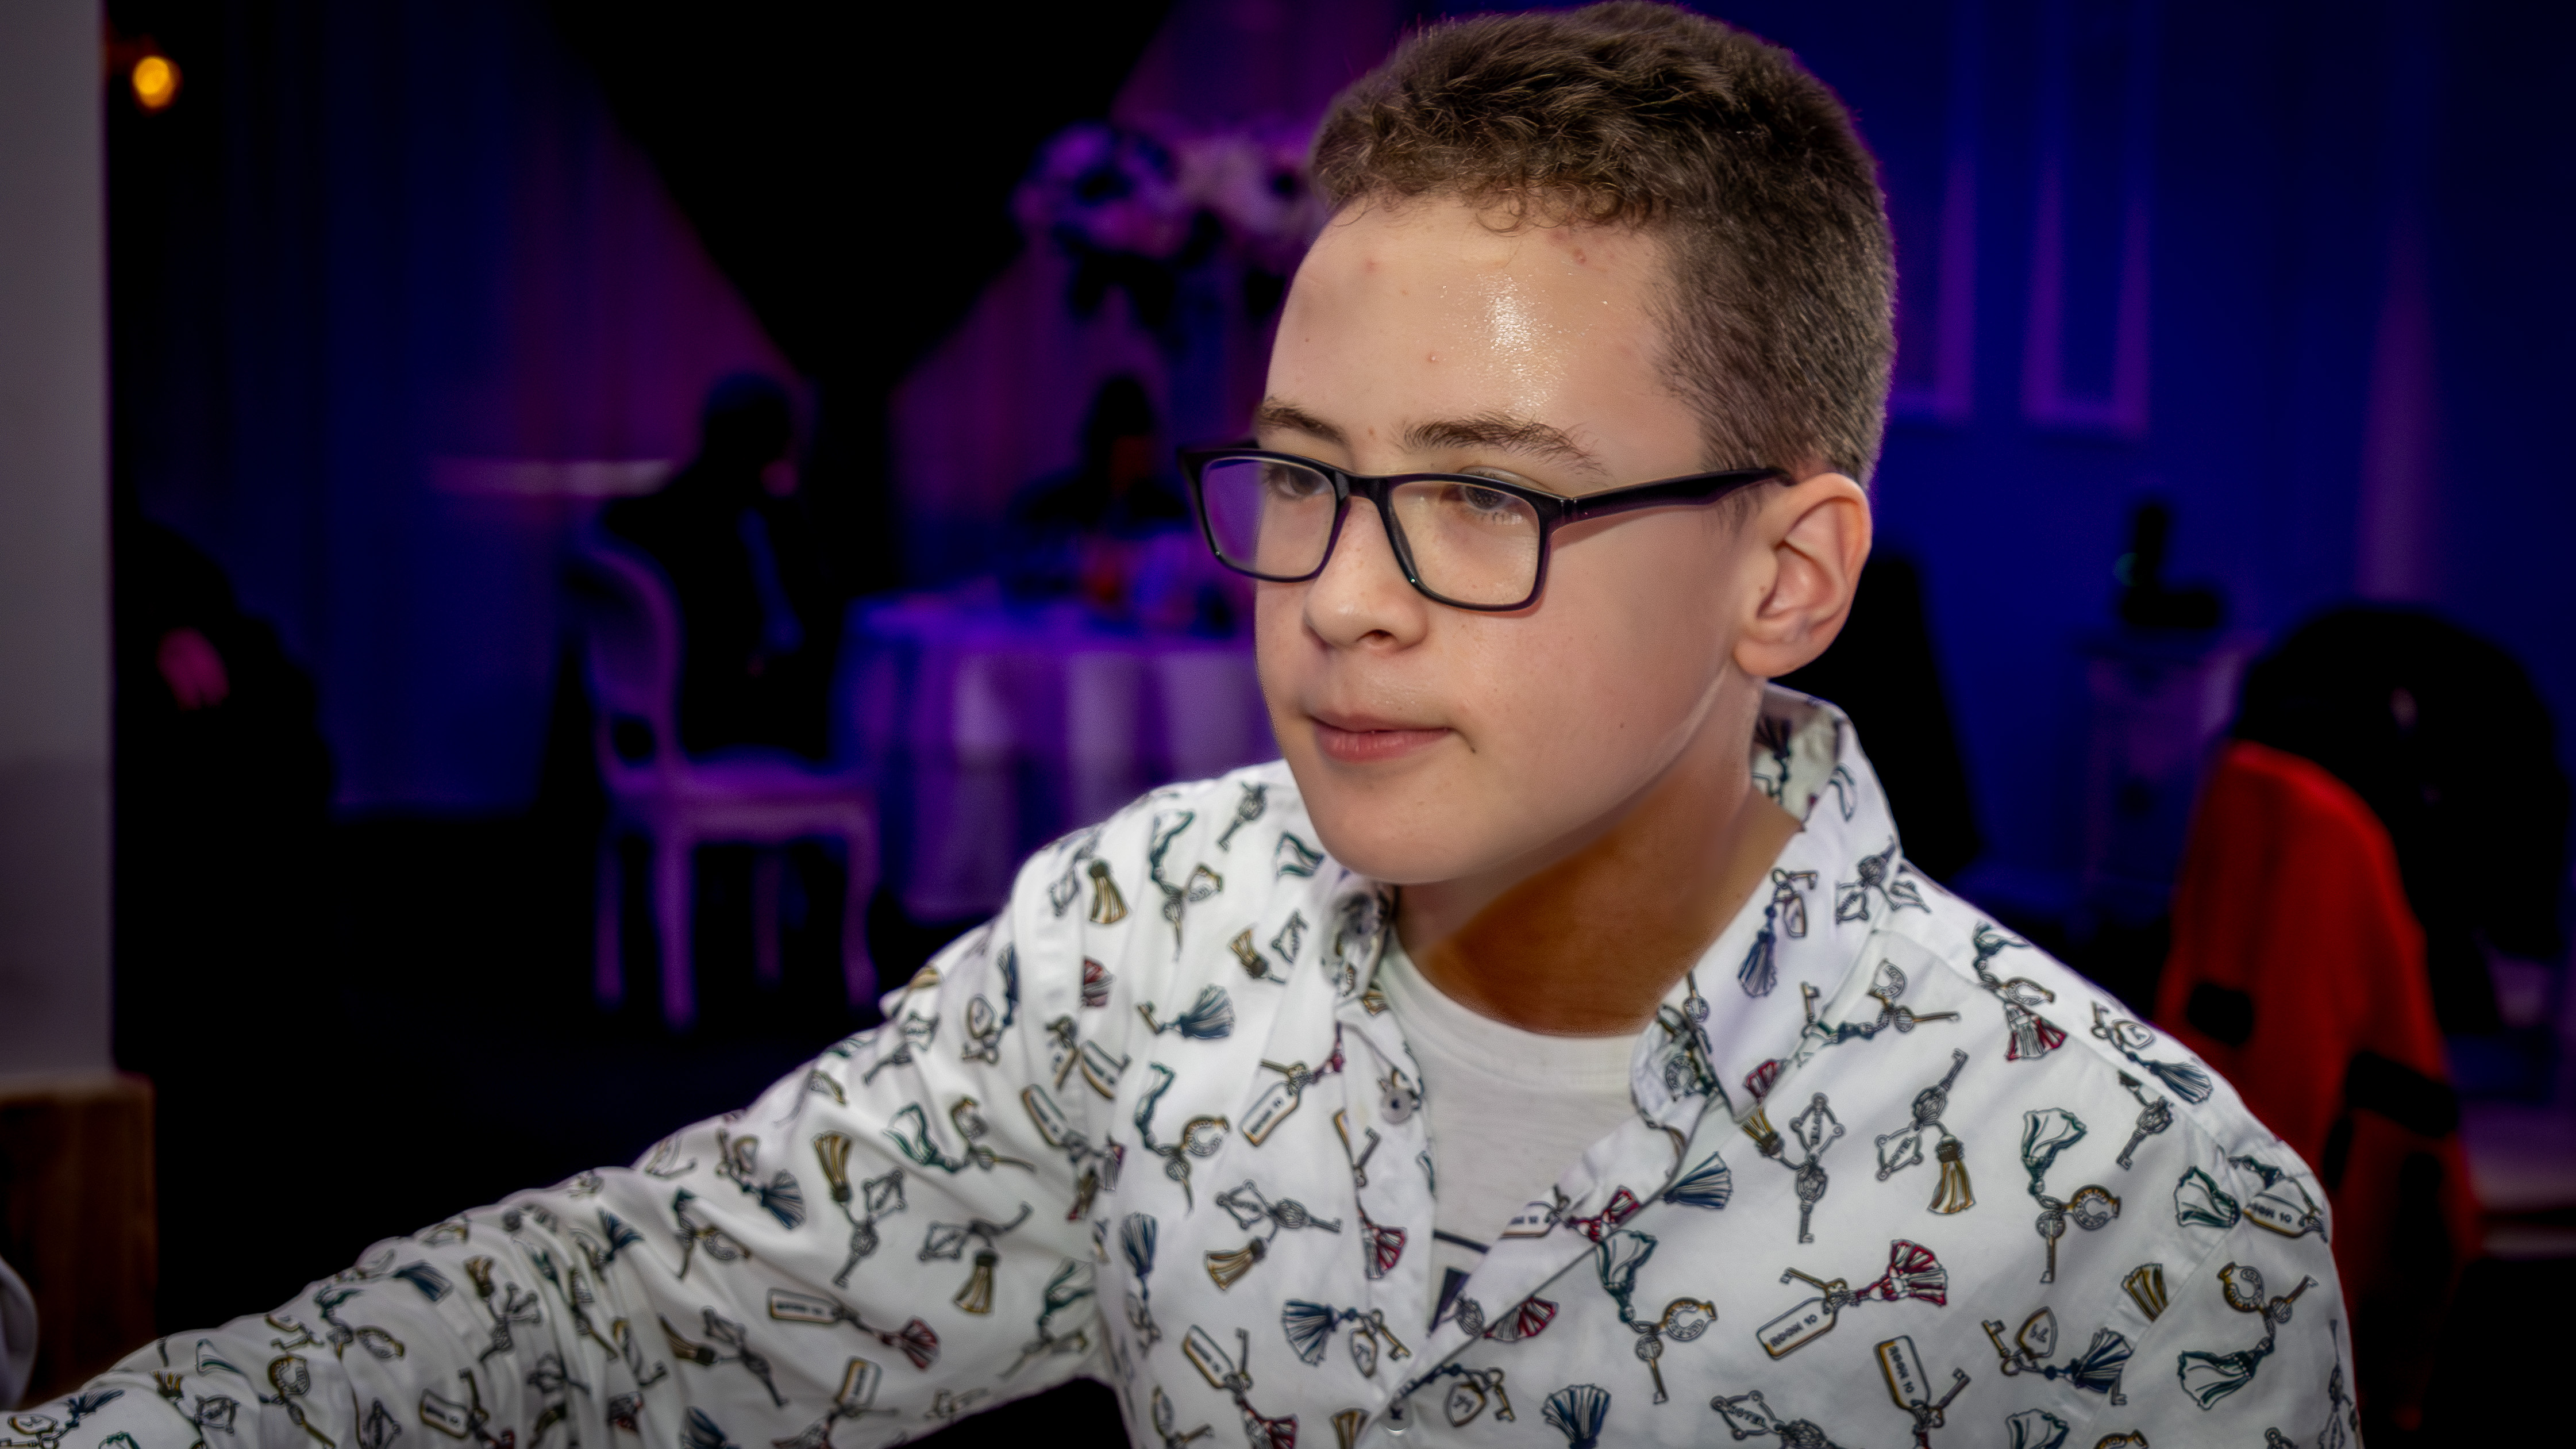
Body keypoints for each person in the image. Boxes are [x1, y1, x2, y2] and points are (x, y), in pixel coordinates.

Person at [34, 8, 2348, 1449]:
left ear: (1786, 573)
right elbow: (647, 1307)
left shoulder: (2137, 1221)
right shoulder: (1156, 931)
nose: (1330, 596)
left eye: (1481, 494)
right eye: (1305, 475)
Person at [602, 373, 840, 760]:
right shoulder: (677, 523)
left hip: (716, 704)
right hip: (710, 713)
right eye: (778, 444)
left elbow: (814, 605)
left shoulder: (770, 514)